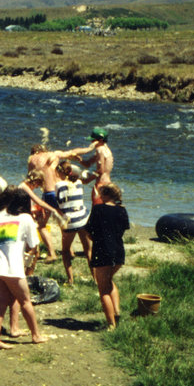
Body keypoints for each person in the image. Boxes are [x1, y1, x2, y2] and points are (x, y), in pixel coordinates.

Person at [0, 188, 48, 349]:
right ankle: (36, 335)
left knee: (0, 304)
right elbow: (34, 244)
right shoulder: (26, 218)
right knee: (26, 301)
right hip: (12, 268)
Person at [84, 183, 129, 330]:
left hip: (103, 251)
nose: (99, 196)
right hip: (118, 251)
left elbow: (89, 231)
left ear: (106, 195)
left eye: (101, 194)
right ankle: (116, 312)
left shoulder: (98, 209)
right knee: (109, 280)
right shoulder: (122, 210)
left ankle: (111, 324)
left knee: (102, 288)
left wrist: (96, 239)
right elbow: (122, 230)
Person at [54, 159, 92, 285]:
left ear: (60, 173)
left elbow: (59, 204)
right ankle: (96, 279)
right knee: (88, 249)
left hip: (70, 221)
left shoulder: (59, 186)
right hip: (83, 218)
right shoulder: (80, 183)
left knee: (65, 251)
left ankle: (70, 280)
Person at [16, 169, 63, 267]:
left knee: (32, 248)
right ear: (36, 181)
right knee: (32, 249)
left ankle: (27, 269)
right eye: (38, 184)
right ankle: (27, 271)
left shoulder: (25, 186)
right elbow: (39, 201)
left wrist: (36, 210)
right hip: (21, 219)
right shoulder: (24, 187)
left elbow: (28, 203)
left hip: (24, 216)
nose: (37, 187)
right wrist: (54, 210)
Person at [80, 127, 114, 204]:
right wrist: (79, 159)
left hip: (101, 185)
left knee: (97, 210)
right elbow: (88, 164)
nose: (91, 142)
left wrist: (87, 180)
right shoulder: (106, 149)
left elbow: (100, 171)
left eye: (93, 140)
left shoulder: (100, 150)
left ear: (100, 140)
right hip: (108, 184)